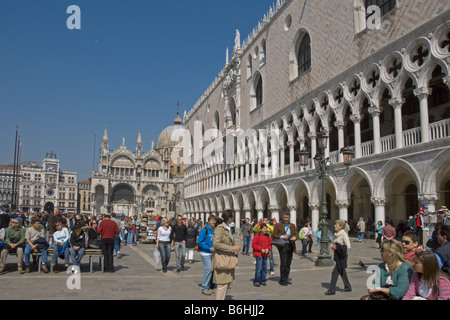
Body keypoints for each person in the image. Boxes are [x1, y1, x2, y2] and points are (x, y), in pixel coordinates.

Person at [213, 210, 240, 300]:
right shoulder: (220, 229)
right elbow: (216, 244)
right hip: (222, 259)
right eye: (232, 216)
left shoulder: (227, 228)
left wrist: (234, 249)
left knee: (227, 283)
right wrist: (231, 248)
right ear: (229, 218)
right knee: (222, 284)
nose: (233, 218)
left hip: (228, 258)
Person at [325, 220, 352, 295]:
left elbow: (348, 246)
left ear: (341, 227)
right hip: (337, 255)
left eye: (336, 225)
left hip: (342, 256)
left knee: (335, 272)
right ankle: (348, 287)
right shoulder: (336, 234)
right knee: (342, 271)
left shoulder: (344, 234)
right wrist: (333, 246)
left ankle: (332, 290)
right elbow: (333, 243)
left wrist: (337, 247)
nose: (334, 226)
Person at [272, 212, 298, 286]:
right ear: (282, 218)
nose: (286, 219)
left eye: (287, 218)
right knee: (283, 263)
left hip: (290, 245)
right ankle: (282, 279)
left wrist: (295, 237)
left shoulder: (292, 225)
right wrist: (282, 236)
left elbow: (296, 233)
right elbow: (274, 235)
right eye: (285, 218)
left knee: (288, 264)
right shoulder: (278, 225)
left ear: (289, 218)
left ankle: (286, 278)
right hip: (283, 246)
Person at [198, 215, 216, 295]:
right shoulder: (204, 230)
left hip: (212, 253)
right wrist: (209, 248)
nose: (213, 222)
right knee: (208, 269)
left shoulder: (214, 230)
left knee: (211, 270)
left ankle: (208, 286)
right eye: (212, 220)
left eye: (214, 221)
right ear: (208, 221)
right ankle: (204, 287)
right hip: (205, 252)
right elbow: (199, 242)